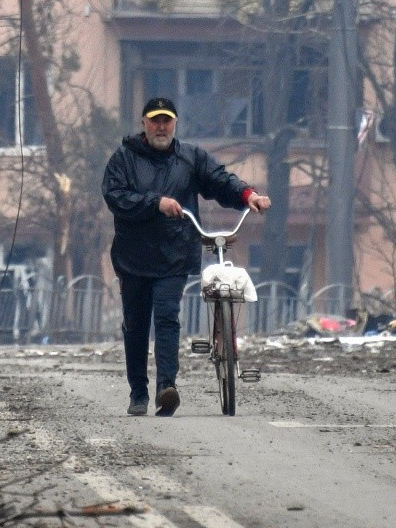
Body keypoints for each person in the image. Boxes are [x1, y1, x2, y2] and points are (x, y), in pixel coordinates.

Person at [101, 97, 271, 416]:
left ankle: (168, 387)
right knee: (136, 326)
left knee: (167, 317)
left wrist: (249, 196)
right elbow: (115, 196)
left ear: (175, 124)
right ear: (144, 124)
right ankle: (138, 391)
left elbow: (220, 181)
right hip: (133, 256)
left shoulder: (190, 157)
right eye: (155, 120)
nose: (161, 127)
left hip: (174, 255)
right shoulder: (124, 158)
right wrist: (156, 203)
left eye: (167, 121)